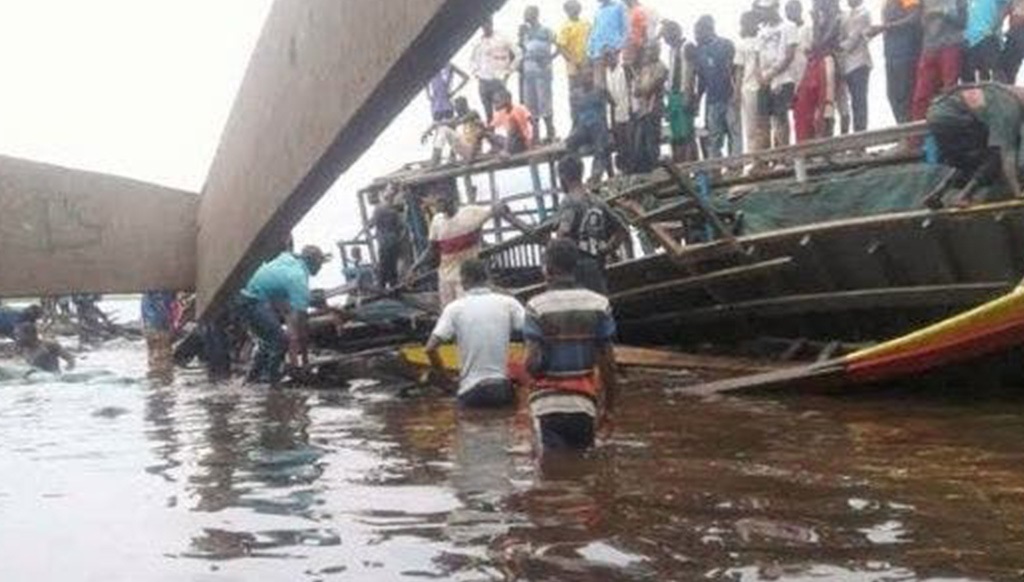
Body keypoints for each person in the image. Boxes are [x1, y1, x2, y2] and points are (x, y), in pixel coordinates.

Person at [524, 238, 619, 451]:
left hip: (547, 405)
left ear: (546, 268)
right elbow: (608, 364)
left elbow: (531, 363)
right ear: (575, 266)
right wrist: (609, 408)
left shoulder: (536, 307)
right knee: (582, 462)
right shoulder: (599, 304)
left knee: (552, 466)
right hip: (584, 404)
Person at [409, 181, 529, 307]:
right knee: (448, 310)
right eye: (435, 200)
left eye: (440, 200)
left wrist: (525, 229)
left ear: (451, 199)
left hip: (466, 279)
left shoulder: (471, 213)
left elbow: (497, 208)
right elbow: (432, 249)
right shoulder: (437, 221)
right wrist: (414, 268)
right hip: (445, 278)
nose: (436, 204)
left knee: (465, 308)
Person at [424, 259, 526, 408]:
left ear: (464, 280)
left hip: (470, 391)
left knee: (469, 421)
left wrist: (446, 380)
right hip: (501, 389)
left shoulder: (454, 308)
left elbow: (430, 348)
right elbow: (533, 330)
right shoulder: (509, 303)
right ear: (488, 278)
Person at [236, 245, 330, 384]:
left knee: (266, 343)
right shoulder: (298, 278)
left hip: (244, 298)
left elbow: (285, 305)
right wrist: (305, 361)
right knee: (280, 341)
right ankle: (273, 384)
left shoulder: (289, 260)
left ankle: (251, 381)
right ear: (312, 263)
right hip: (253, 301)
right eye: (320, 263)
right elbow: (302, 327)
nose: (321, 267)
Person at [927, 83, 1024, 203]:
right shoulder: (1009, 107)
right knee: (996, 156)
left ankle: (938, 193)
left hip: (935, 114)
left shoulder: (997, 91)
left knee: (971, 161)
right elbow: (1006, 153)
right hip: (955, 117)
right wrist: (1017, 191)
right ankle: (964, 196)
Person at [556, 156, 628, 294]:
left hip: (577, 272)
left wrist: (554, 250)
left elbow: (563, 232)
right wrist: (605, 251)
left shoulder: (569, 202)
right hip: (597, 267)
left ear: (562, 176)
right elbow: (622, 230)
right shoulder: (597, 200)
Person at [793, 0, 843, 141]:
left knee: (827, 102)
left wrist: (815, 20)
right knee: (813, 103)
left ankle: (827, 140)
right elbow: (816, 43)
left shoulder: (835, 18)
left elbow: (820, 43)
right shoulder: (820, 19)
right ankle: (816, 139)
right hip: (817, 61)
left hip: (828, 60)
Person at [911, 0, 967, 121]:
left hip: (950, 45)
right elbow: (919, 19)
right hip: (929, 47)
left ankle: (949, 124)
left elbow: (963, 21)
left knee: (949, 91)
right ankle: (917, 130)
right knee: (921, 95)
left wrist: (943, 12)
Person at [694, 16, 739, 158]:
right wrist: (698, 99)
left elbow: (736, 70)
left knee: (733, 132)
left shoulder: (726, 45)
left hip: (729, 96)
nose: (696, 36)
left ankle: (735, 165)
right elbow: (701, 78)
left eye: (698, 32)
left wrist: (737, 93)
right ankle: (715, 166)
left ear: (709, 30)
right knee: (714, 136)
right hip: (712, 99)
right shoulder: (699, 51)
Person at [757, 0, 800, 147]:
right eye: (763, 10)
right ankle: (767, 156)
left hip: (783, 78)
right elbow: (758, 56)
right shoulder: (761, 31)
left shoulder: (789, 26)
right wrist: (761, 77)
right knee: (762, 120)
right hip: (764, 80)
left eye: (768, 9)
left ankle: (783, 153)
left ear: (776, 7)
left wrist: (772, 73)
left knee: (780, 118)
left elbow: (789, 55)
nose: (765, 12)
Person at [872, 0, 923, 124]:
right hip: (891, 54)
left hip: (906, 51)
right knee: (892, 95)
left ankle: (911, 130)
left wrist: (885, 27)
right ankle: (904, 129)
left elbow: (914, 18)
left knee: (905, 94)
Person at [566, 65, 614, 182]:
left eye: (589, 76)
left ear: (593, 77)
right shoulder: (575, 94)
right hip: (583, 127)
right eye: (584, 76)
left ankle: (596, 175)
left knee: (600, 147)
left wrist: (612, 127)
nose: (587, 79)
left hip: (598, 126)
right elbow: (574, 115)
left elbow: (613, 104)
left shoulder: (600, 90)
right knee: (570, 142)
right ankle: (576, 173)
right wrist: (572, 131)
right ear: (580, 78)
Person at [471, 17, 521, 123]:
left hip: (497, 81)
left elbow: (518, 53)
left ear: (491, 23)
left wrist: (508, 71)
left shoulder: (501, 38)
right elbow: (472, 60)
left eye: (487, 23)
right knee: (489, 116)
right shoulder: (478, 42)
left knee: (503, 112)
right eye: (483, 24)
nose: (485, 26)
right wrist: (476, 73)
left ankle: (511, 133)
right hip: (483, 82)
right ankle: (492, 133)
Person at [519, 6, 557, 144]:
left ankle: (550, 134)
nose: (525, 15)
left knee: (544, 102)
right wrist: (520, 36)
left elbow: (559, 45)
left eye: (527, 13)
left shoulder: (546, 30)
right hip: (528, 72)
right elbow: (520, 50)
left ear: (535, 14)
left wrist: (550, 58)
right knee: (530, 105)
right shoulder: (525, 33)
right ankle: (535, 136)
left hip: (542, 71)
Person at [736, 11, 768, 162]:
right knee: (751, 127)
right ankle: (754, 160)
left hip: (765, 85)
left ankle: (766, 157)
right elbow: (739, 70)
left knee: (765, 125)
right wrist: (736, 91)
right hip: (749, 87)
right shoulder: (742, 44)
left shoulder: (763, 40)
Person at [423, 96, 494, 164]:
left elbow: (460, 121)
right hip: (464, 150)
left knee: (445, 129)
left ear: (465, 106)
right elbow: (443, 124)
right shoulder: (458, 118)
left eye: (458, 108)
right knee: (444, 129)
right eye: (456, 109)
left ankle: (436, 159)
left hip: (474, 151)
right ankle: (436, 158)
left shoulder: (473, 113)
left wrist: (436, 125)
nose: (457, 111)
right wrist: (429, 129)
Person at [632, 43, 669, 172]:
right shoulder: (645, 68)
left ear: (658, 51)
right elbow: (636, 91)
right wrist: (642, 89)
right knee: (639, 144)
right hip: (642, 111)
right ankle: (645, 171)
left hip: (654, 109)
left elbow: (650, 88)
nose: (649, 53)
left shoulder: (661, 67)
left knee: (652, 142)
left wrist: (642, 89)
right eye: (648, 50)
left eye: (652, 50)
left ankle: (655, 170)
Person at [839, 0, 873, 132]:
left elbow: (852, 41)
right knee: (850, 103)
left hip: (859, 62)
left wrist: (835, 47)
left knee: (859, 101)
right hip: (846, 65)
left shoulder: (863, 13)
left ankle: (860, 136)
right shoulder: (846, 15)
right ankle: (855, 135)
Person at [557, 0, 592, 111]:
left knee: (589, 92)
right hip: (574, 68)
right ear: (566, 11)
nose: (574, 10)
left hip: (587, 65)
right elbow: (561, 47)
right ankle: (576, 118)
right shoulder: (565, 27)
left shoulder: (586, 24)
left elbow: (592, 40)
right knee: (575, 94)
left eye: (576, 7)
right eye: (571, 8)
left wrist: (589, 60)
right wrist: (574, 61)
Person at [963, 0, 1010, 82]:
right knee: (968, 78)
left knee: (995, 73)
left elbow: (1009, 4)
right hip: (968, 40)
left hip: (987, 37)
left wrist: (997, 23)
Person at [605, 48, 635, 172]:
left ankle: (632, 169)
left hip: (628, 111)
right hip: (615, 114)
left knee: (630, 143)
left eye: (612, 55)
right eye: (607, 57)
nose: (610, 59)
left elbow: (633, 87)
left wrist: (632, 109)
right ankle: (623, 170)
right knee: (620, 144)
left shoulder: (625, 69)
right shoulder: (606, 73)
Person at [369, 187, 405, 289]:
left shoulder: (378, 210)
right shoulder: (394, 212)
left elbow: (371, 224)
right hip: (392, 240)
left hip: (383, 241)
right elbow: (400, 226)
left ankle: (382, 285)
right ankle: (393, 284)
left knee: (383, 264)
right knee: (392, 264)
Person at [588, 0, 629, 85]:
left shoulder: (619, 7)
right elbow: (594, 32)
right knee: (599, 85)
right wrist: (590, 50)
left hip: (614, 51)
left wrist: (618, 47)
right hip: (598, 52)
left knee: (616, 82)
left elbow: (625, 29)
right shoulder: (598, 11)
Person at [141, 291, 177, 376]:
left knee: (156, 352)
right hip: (160, 324)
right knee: (162, 351)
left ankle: (158, 375)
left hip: (151, 323)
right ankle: (162, 376)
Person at [489, 87, 534, 155]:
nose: (494, 106)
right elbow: (490, 126)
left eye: (497, 102)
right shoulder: (501, 113)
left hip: (521, 143)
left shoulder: (519, 108)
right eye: (494, 103)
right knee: (489, 134)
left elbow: (532, 122)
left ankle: (506, 151)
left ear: (507, 100)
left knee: (512, 121)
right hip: (511, 142)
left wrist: (531, 141)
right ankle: (497, 149)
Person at [623, 0, 660, 67]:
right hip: (635, 50)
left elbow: (647, 30)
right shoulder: (626, 13)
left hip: (644, 49)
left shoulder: (646, 11)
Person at [1002, 0, 1024, 82]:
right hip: (1013, 36)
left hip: (1017, 37)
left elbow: (1018, 17)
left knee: (1007, 67)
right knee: (1007, 68)